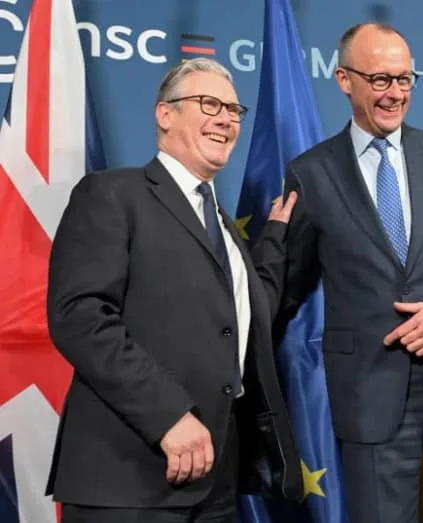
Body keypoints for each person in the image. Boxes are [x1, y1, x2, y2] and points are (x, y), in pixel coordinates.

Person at [266, 22, 423, 523]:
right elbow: (286, 287)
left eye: (405, 79)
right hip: (369, 394)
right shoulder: (310, 172)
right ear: (343, 79)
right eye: (380, 80)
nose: (395, 93)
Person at [46, 57, 302, 523]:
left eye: (234, 109)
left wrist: (275, 240)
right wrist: (169, 415)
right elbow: (80, 315)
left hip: (216, 483)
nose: (227, 118)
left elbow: (246, 313)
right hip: (129, 481)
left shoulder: (224, 226)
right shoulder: (112, 194)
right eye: (209, 103)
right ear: (165, 115)